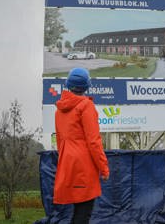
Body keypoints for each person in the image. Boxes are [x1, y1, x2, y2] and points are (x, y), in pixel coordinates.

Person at [53, 68, 109, 224]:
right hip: (83, 165)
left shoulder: (59, 110)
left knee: (79, 212)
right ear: (86, 86)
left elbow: (60, 142)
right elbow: (93, 141)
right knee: (83, 214)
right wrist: (103, 168)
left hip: (66, 163)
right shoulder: (86, 106)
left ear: (68, 84)